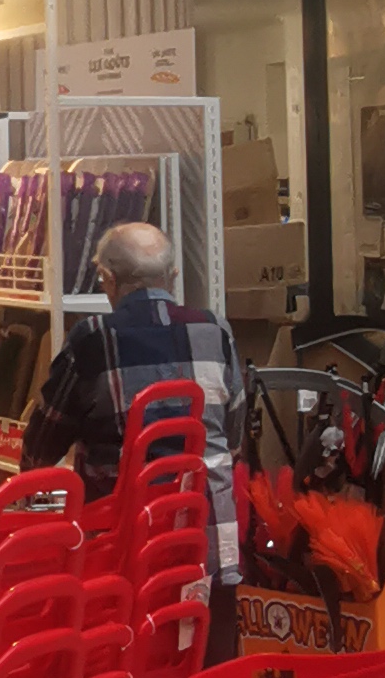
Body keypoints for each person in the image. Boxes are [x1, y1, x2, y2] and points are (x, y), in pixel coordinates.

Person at [19, 217, 243, 644]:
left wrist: (29, 483)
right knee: (206, 655)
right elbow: (233, 436)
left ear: (107, 279)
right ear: (172, 276)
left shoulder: (93, 339)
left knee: (123, 656)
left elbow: (42, 445)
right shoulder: (215, 330)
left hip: (124, 547)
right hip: (207, 538)